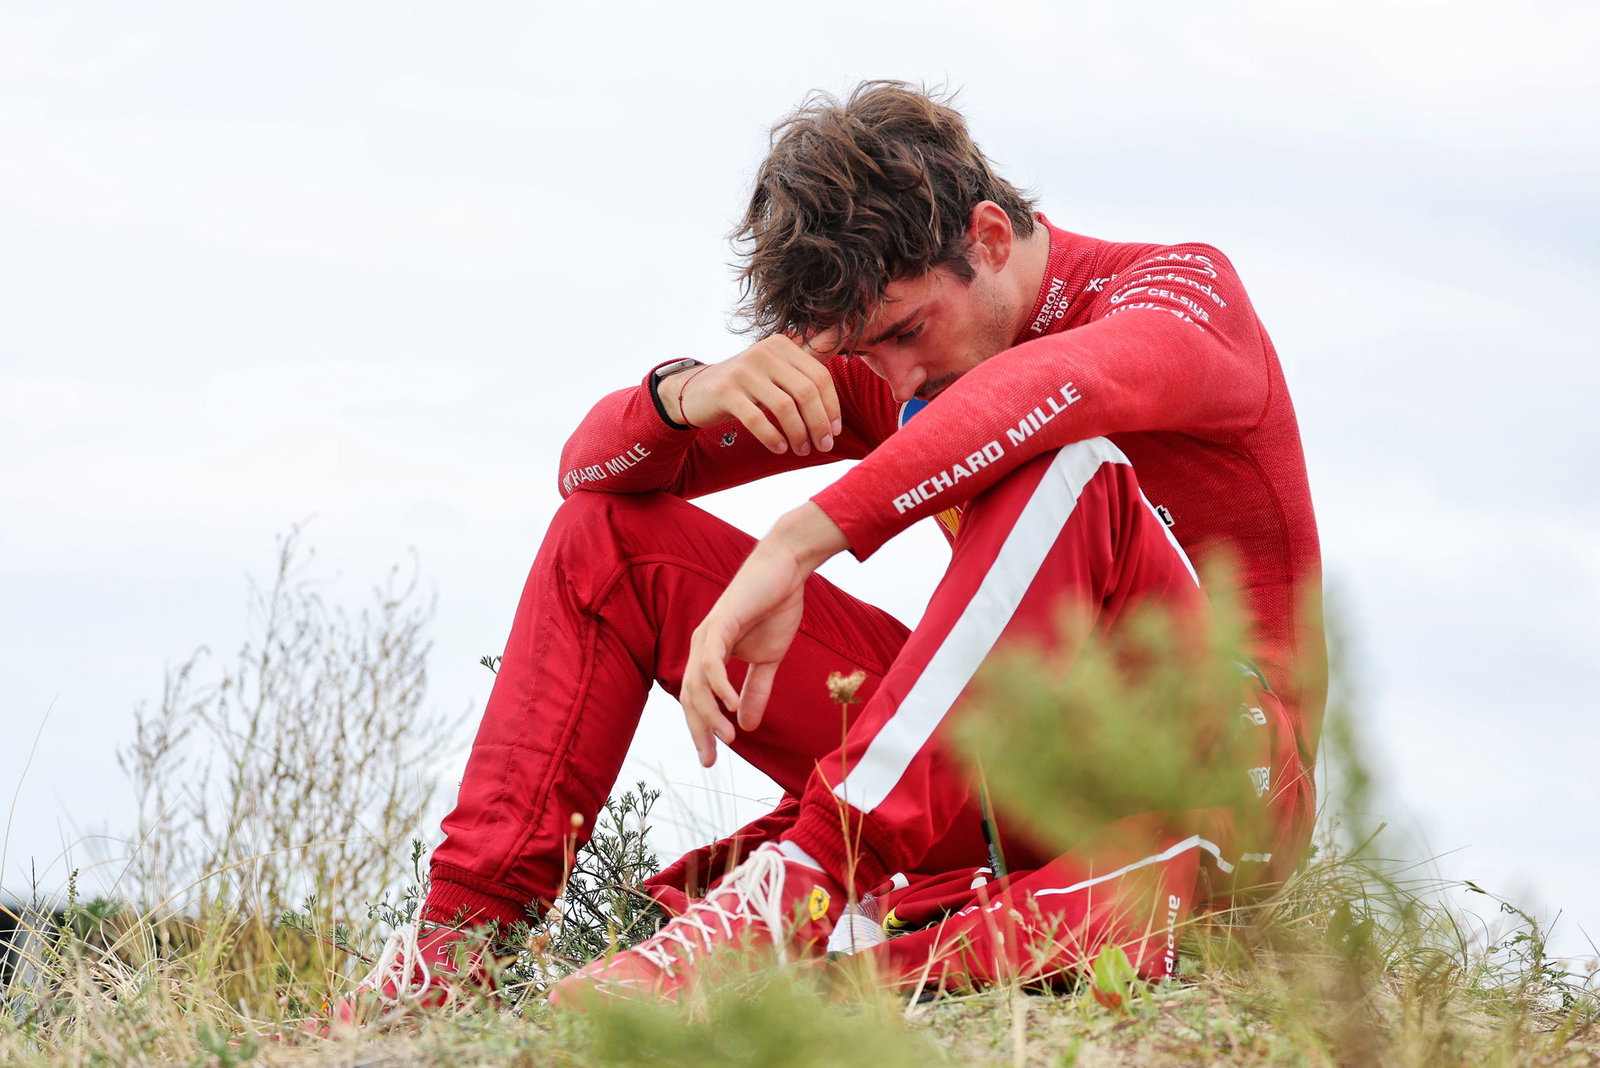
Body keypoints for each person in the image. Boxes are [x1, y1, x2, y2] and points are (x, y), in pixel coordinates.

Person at [334, 80, 1322, 1019]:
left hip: (1210, 775)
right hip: (998, 775)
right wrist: (687, 394)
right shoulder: (902, 372)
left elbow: (1051, 390)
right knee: (609, 539)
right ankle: (457, 949)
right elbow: (588, 475)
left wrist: (801, 540)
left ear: (984, 236)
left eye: (904, 330)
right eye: (863, 352)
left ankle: (798, 890)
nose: (894, 375)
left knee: (1064, 467)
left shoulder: (1181, 292)